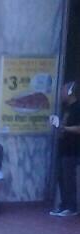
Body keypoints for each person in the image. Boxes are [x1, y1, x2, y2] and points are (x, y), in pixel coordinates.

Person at [50, 81, 80, 217]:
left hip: (73, 149)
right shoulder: (67, 108)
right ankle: (64, 205)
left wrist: (64, 128)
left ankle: (72, 207)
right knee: (61, 178)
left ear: (70, 92)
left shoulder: (77, 108)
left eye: (63, 91)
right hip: (63, 148)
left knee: (69, 179)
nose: (61, 94)